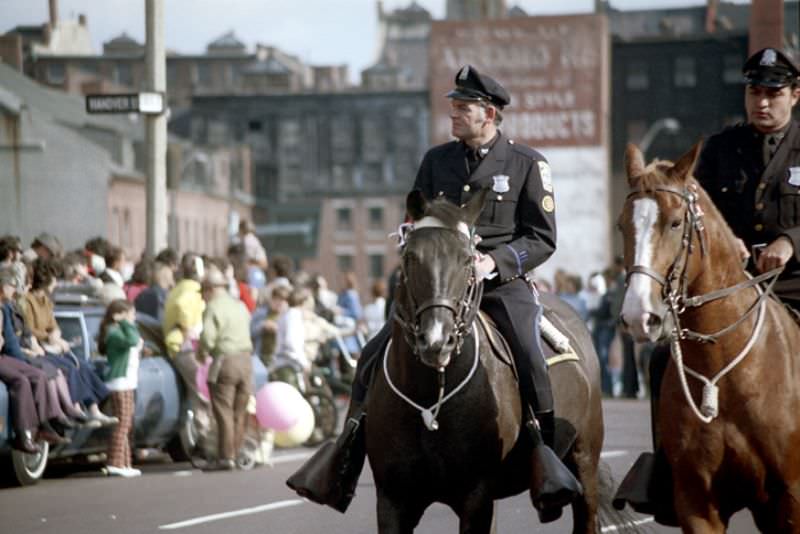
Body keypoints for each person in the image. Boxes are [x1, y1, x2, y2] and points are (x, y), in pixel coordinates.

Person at [288, 65, 582, 519]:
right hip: (438, 283)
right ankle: (345, 456)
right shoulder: (436, 160)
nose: (454, 116)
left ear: (489, 113)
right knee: (373, 354)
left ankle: (546, 457)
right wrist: (411, 235)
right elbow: (417, 214)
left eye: (463, 109)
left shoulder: (527, 163)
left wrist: (495, 263)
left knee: (528, 348)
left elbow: (541, 238)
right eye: (453, 108)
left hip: (496, 285)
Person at [616, 48, 800, 523]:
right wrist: (730, 238)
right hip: (730, 287)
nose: (762, 102)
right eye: (755, 92)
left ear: (794, 96)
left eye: (773, 93)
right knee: (662, 359)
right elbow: (695, 217)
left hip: (795, 287)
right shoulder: (719, 149)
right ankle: (665, 475)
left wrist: (790, 241)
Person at [199, 268, 253, 471]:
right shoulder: (239, 305)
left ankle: (225, 457)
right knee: (240, 411)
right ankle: (237, 453)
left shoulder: (213, 307)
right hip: (246, 361)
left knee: (224, 411)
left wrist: (202, 354)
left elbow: (207, 338)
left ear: (211, 289)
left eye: (203, 291)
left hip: (225, 361)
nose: (203, 296)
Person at [98, 299, 143, 478]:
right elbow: (133, 340)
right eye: (130, 314)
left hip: (128, 382)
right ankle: (114, 463)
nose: (133, 318)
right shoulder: (114, 332)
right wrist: (124, 322)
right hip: (120, 382)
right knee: (122, 424)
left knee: (126, 423)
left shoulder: (119, 330)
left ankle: (124, 463)